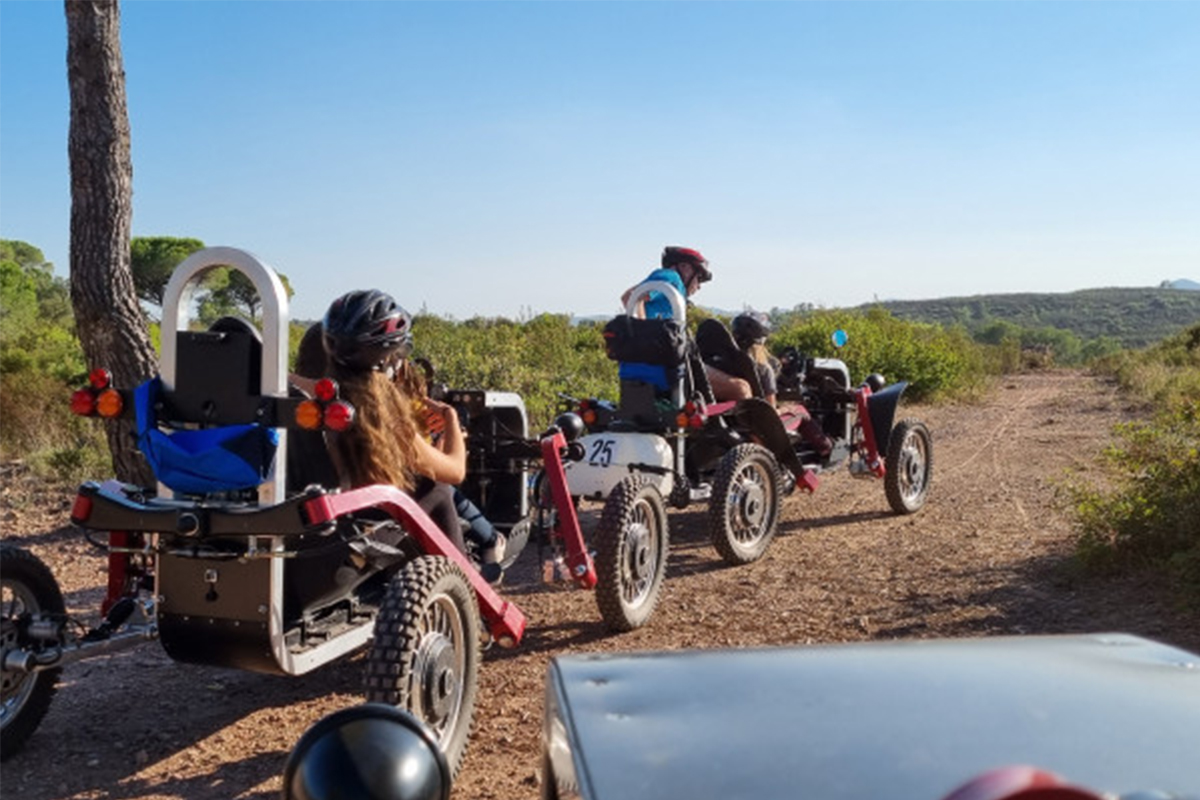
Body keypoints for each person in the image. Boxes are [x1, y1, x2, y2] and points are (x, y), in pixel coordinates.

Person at [296, 292, 506, 577]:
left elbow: (294, 381)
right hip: (368, 527)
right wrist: (451, 419)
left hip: (317, 523)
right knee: (438, 488)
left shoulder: (308, 396)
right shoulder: (385, 417)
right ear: (387, 359)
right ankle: (464, 585)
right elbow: (454, 471)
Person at [619, 246, 745, 398]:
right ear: (684, 267)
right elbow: (630, 296)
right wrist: (644, 337)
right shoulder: (671, 277)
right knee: (742, 388)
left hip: (662, 367)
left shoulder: (671, 298)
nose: (698, 286)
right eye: (698, 277)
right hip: (670, 367)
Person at [731, 310, 832, 456]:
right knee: (800, 410)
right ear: (762, 338)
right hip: (762, 428)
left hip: (738, 422)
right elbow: (771, 412)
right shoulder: (764, 369)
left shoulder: (729, 363)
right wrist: (786, 409)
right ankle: (825, 447)